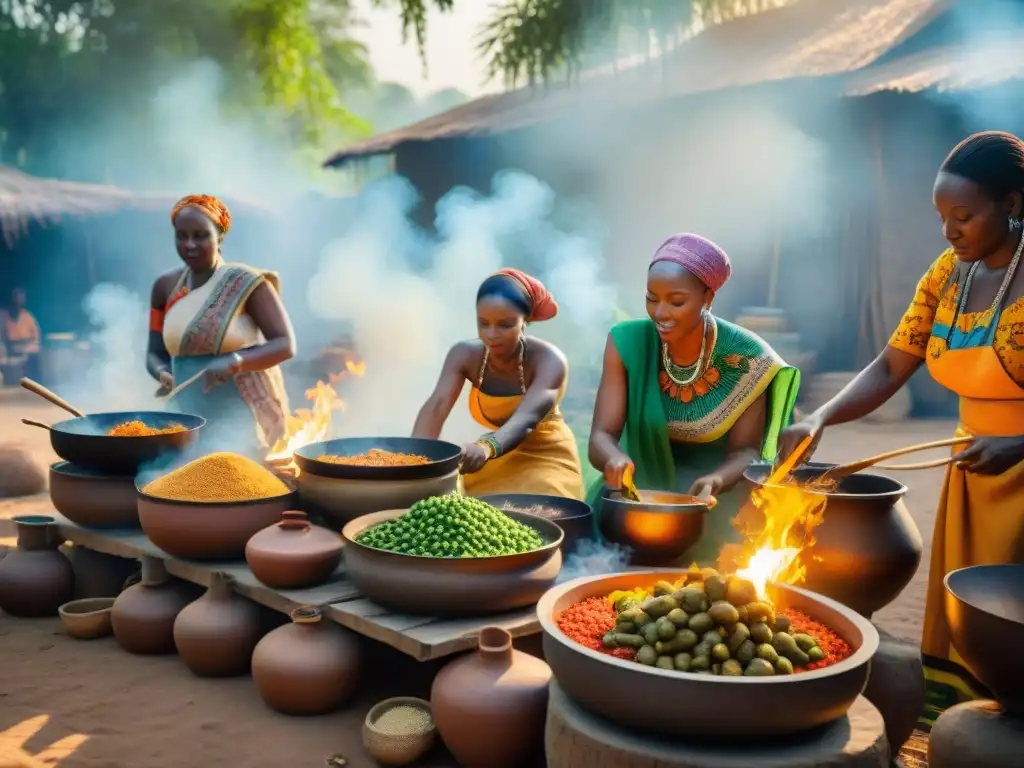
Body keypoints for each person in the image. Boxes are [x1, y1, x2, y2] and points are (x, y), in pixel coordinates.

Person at [777, 131, 1024, 727]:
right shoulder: (949, 273)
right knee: (973, 621)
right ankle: (969, 730)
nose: (949, 232)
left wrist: (1019, 444)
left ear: (1013, 203)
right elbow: (892, 363)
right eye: (942, 217)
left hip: (1018, 467)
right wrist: (820, 415)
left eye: (963, 216)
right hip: (975, 472)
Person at [588, 233, 800, 563]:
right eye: (651, 298)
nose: (660, 313)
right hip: (636, 497)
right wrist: (613, 458)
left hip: (710, 503)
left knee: (717, 582)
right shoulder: (627, 343)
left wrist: (716, 480)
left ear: (708, 297)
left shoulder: (748, 359)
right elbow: (602, 435)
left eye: (676, 301)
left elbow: (746, 452)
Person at [412, 268, 584, 499]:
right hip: (495, 460)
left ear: (525, 321)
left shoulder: (549, 360)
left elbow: (526, 419)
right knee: (459, 508)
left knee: (538, 512)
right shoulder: (464, 355)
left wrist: (485, 448)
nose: (491, 334)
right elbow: (437, 406)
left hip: (545, 457)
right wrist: (414, 462)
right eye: (483, 323)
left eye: (505, 325)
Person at [147, 194, 295, 456]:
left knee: (235, 478)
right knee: (175, 479)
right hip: (185, 414)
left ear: (220, 235)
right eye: (181, 235)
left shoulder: (245, 283)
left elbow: (285, 344)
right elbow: (155, 352)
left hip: (240, 413)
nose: (189, 244)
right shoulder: (165, 288)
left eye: (200, 235)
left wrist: (236, 361)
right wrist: (162, 372)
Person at [0, 288, 42, 381]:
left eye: (19, 300)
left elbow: (36, 339)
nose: (17, 304)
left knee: (35, 356)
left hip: (27, 348)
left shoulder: (28, 317)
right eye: (15, 300)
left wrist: (28, 348)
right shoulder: (4, 317)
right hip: (10, 348)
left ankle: (35, 383)